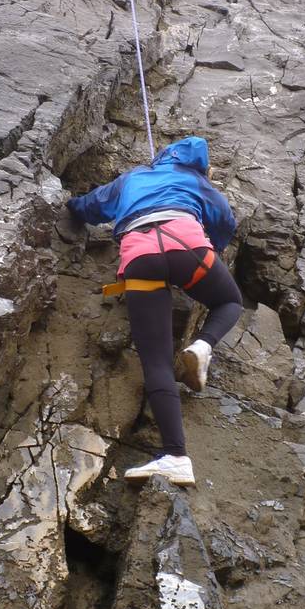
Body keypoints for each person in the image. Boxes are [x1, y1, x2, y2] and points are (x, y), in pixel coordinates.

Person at [66, 136, 243, 487]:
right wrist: (213, 250)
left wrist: (70, 203)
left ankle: (177, 457)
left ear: (163, 157)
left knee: (157, 363)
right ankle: (203, 346)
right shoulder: (198, 182)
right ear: (200, 166)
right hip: (187, 244)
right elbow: (225, 224)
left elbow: (87, 207)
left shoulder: (132, 178)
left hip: (140, 255)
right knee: (229, 302)